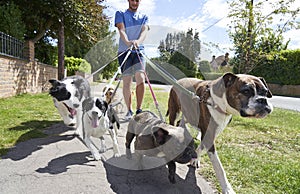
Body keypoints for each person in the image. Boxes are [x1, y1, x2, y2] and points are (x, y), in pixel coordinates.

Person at [115, 0, 149, 120]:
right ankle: (129, 110)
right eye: (132, 0)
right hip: (124, 52)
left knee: (141, 77)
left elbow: (144, 31)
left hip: (139, 51)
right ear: (128, 0)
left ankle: (139, 110)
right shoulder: (120, 13)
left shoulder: (144, 17)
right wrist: (128, 43)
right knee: (127, 81)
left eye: (137, 0)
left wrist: (138, 42)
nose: (135, 2)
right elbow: (121, 30)